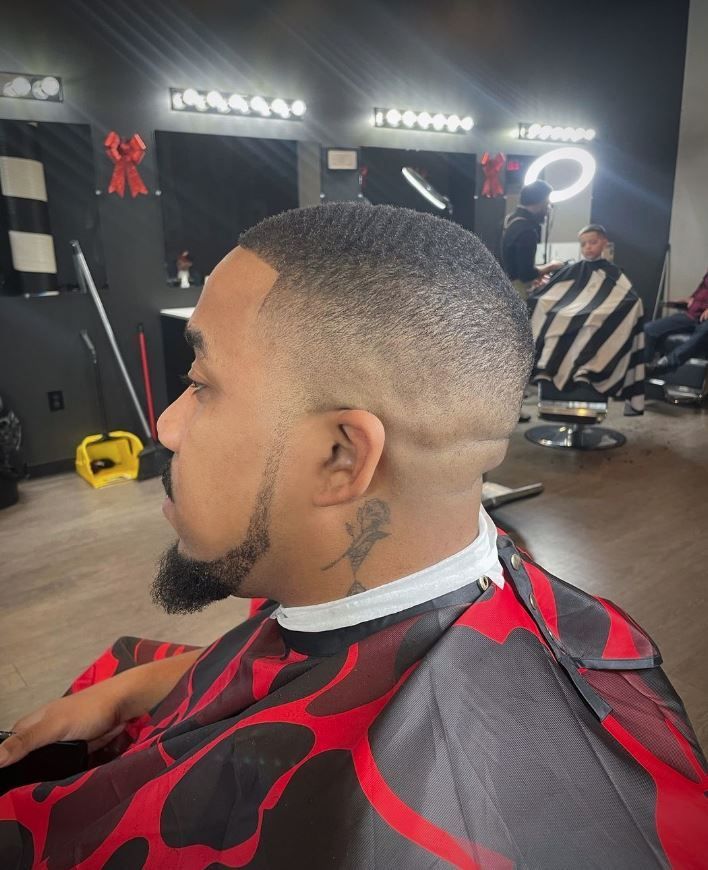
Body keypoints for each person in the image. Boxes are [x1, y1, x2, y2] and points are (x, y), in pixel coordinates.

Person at [0, 205, 705, 869]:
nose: (167, 426)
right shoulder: (510, 597)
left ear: (342, 457)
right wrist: (144, 685)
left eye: (201, 383)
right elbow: (303, 666)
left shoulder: (385, 831)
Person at [500, 179, 563, 299]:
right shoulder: (527, 231)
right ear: (540, 202)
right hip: (518, 291)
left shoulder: (510, 220)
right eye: (547, 203)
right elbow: (526, 275)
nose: (548, 209)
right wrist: (551, 266)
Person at [646, 270, 708, 373]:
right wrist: (691, 298)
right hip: (693, 314)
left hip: (705, 321)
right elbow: (702, 288)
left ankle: (666, 364)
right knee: (649, 329)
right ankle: (645, 368)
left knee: (703, 332)